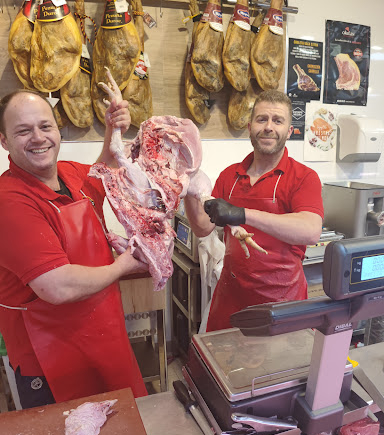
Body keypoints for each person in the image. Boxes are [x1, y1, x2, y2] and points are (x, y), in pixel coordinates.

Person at [0, 89, 149, 408]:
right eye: (23, 131)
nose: (38, 138)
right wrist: (124, 265)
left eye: (45, 126)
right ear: (4, 141)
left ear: (58, 130)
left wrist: (113, 128)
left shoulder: (69, 173)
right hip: (51, 359)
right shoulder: (10, 201)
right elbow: (57, 286)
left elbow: (105, 171)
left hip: (102, 334)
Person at [184, 90, 324, 332]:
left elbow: (311, 230)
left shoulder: (304, 177)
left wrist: (242, 214)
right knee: (223, 366)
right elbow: (202, 226)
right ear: (249, 127)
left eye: (277, 121)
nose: (268, 127)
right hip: (231, 296)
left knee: (277, 368)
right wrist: (186, 184)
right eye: (261, 119)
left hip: (282, 302)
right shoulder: (230, 175)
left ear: (289, 131)